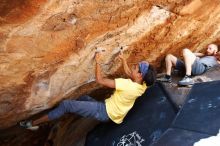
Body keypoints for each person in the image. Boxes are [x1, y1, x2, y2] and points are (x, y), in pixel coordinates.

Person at [20, 51, 156, 130]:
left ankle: (32, 124)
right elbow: (129, 73)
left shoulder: (128, 85)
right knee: (83, 98)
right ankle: (68, 114)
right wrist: (123, 60)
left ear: (139, 76)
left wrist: (97, 61)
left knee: (66, 104)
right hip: (113, 114)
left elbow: (100, 80)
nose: (133, 66)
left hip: (103, 111)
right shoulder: (142, 85)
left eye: (136, 67)